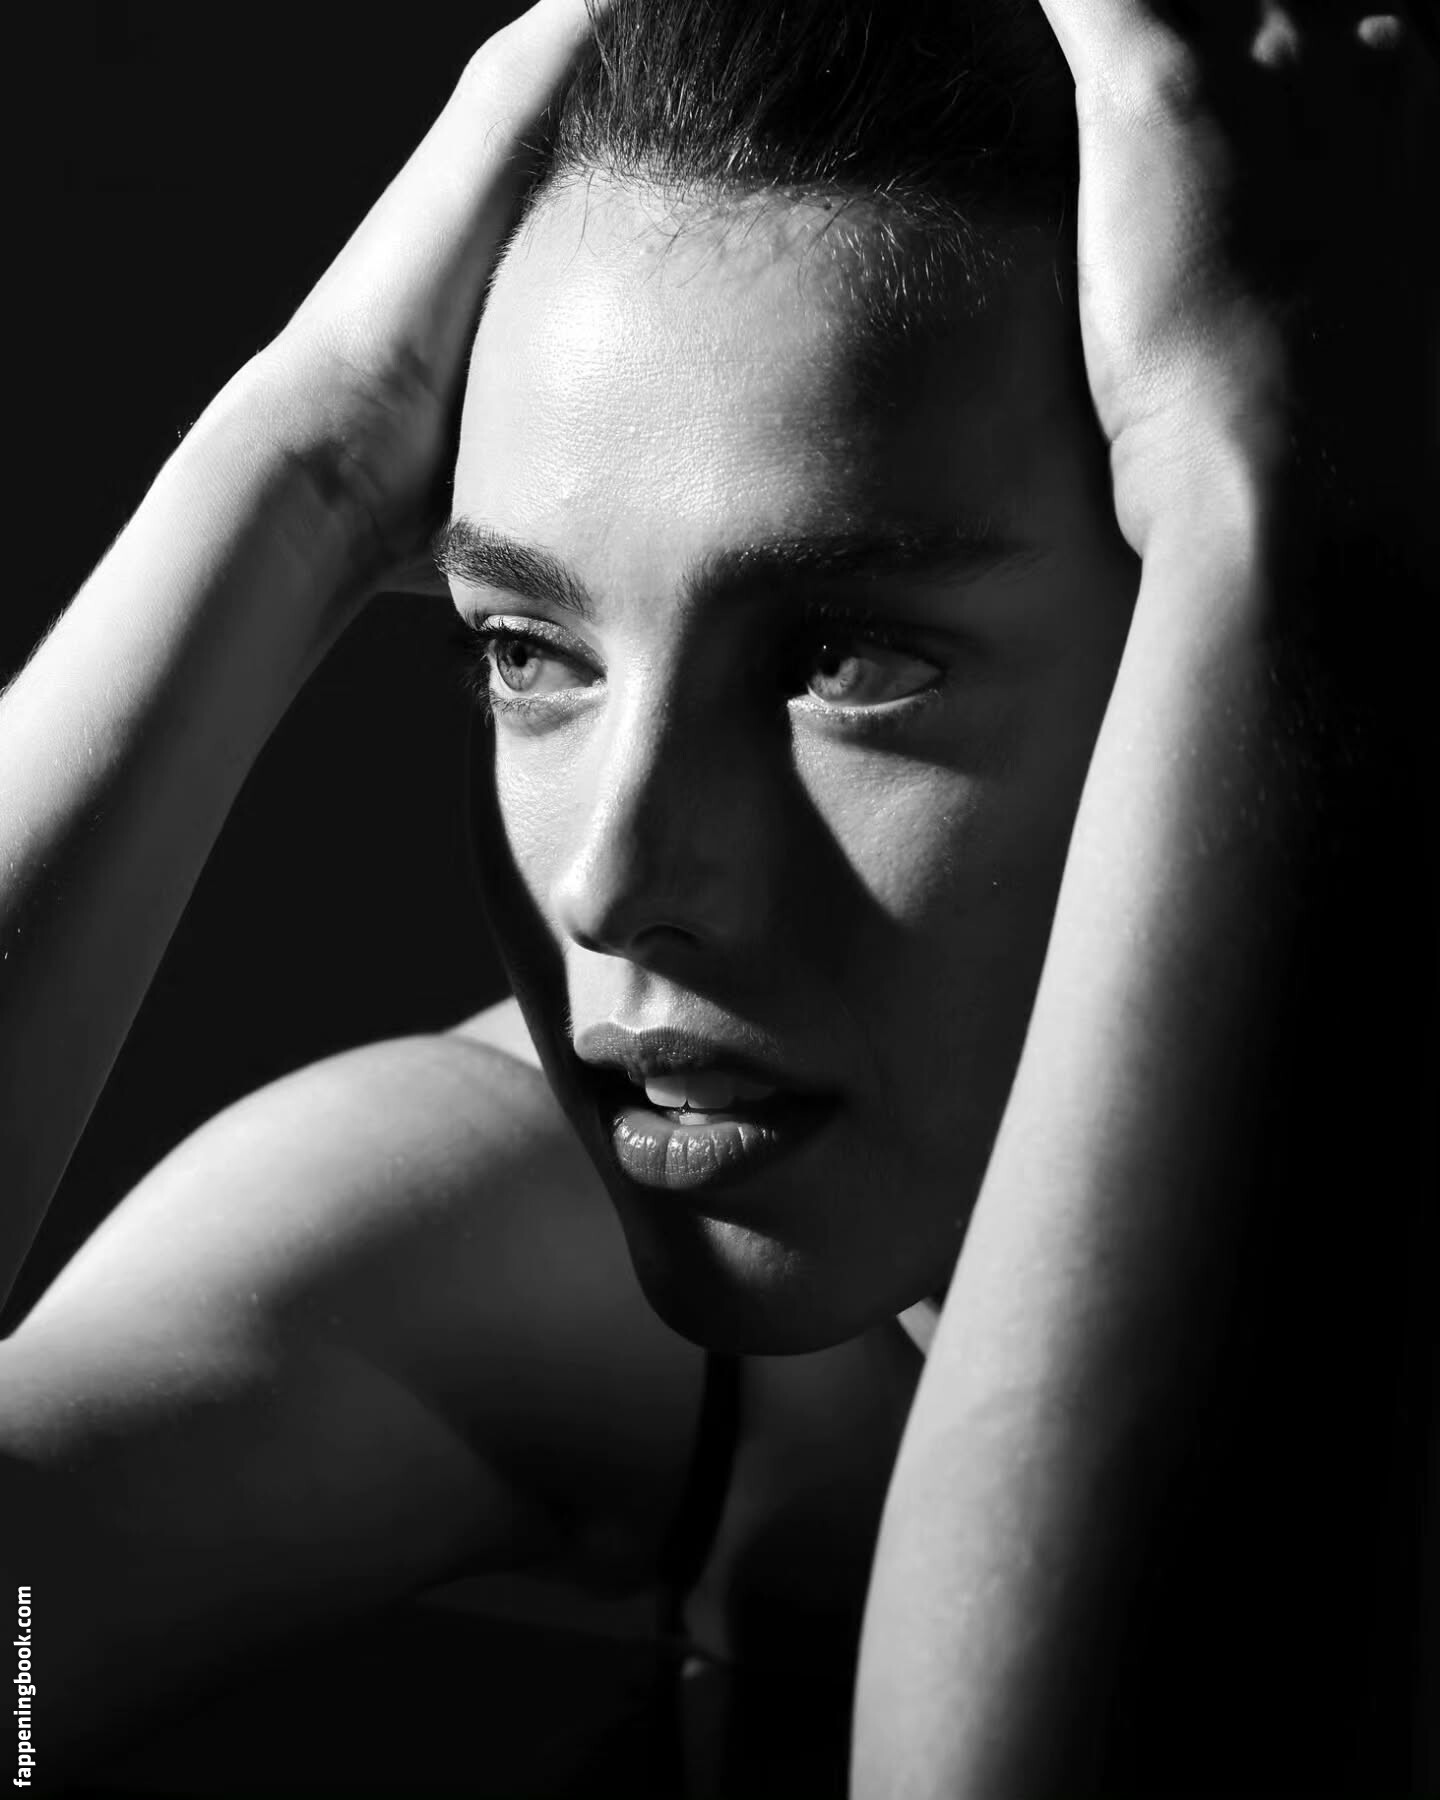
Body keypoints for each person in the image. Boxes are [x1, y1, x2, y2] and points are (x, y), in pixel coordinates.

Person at [1, 0, 1435, 1793]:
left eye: (843, 662)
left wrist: (1271, 511)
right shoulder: (505, 1228)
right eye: (527, 648)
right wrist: (302, 458)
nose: (610, 882)